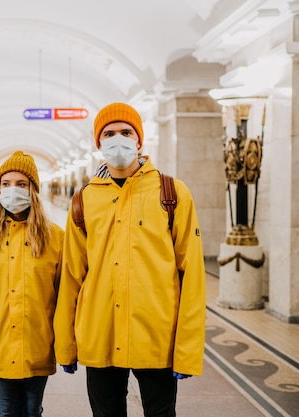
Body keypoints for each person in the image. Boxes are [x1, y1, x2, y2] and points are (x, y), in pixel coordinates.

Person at [53, 102, 206, 417]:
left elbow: (192, 274)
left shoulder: (172, 193)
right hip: (100, 335)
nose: (117, 138)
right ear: (99, 144)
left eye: (126, 131)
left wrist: (188, 349)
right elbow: (71, 276)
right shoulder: (84, 199)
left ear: (139, 140)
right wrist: (66, 344)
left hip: (155, 335)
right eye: (108, 133)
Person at [0, 150, 64, 417]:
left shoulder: (56, 237)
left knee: (32, 410)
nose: (12, 190)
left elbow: (66, 294)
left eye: (21, 184)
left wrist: (65, 342)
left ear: (33, 191)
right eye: (5, 184)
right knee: (4, 411)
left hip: (39, 341)